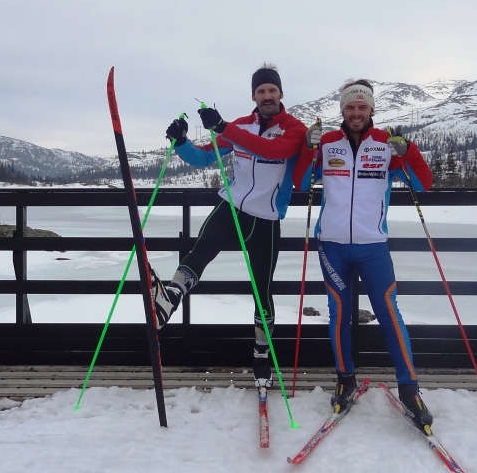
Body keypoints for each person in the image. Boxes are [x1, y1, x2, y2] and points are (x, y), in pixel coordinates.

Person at [154, 64, 308, 388]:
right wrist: (180, 141)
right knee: (202, 249)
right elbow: (203, 158)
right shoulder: (240, 126)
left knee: (262, 290)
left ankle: (261, 354)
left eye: (272, 90)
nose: (267, 96)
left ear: (281, 94)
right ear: (254, 96)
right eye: (261, 91)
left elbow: (272, 150)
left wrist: (223, 126)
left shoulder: (294, 129)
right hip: (232, 207)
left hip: (265, 218)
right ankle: (171, 295)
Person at [294, 79, 435, 430]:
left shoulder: (386, 144)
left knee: (389, 314)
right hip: (332, 245)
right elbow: (300, 182)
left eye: (362, 107)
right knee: (339, 314)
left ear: (372, 109)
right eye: (350, 107)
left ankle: (410, 389)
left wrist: (408, 151)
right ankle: (345, 378)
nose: (356, 113)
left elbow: (423, 184)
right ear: (342, 109)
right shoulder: (327, 142)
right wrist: (308, 149)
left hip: (373, 246)